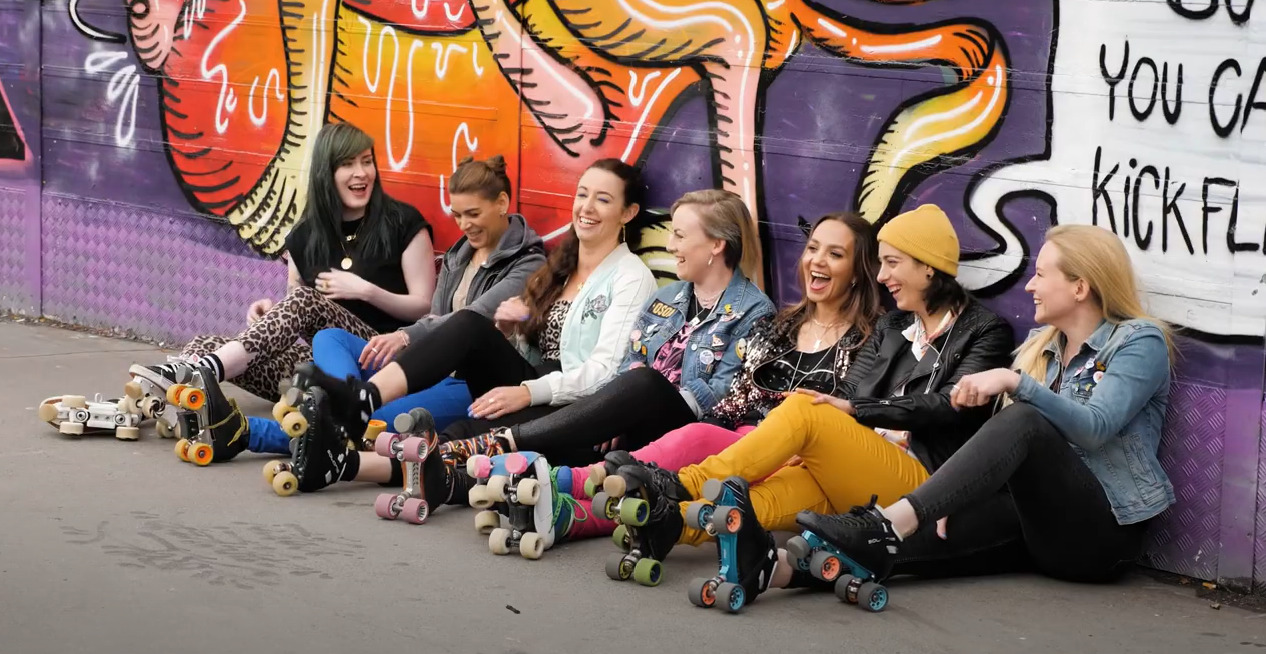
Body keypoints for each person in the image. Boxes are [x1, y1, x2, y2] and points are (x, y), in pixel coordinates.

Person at [603, 204, 1015, 593]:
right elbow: (849, 392)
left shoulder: (983, 330)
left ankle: (680, 483)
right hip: (863, 469)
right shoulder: (893, 326)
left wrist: (852, 412)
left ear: (928, 267)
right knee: (770, 495)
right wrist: (817, 442)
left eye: (893, 263)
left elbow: (948, 406)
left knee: (804, 407)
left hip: (922, 485)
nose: (882, 276)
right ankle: (671, 523)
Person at [791, 224, 1174, 594]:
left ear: (1080, 287)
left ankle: (888, 521)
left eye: (1041, 275)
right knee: (903, 545)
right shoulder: (1041, 348)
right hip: (1036, 528)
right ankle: (777, 569)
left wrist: (1014, 382)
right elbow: (1003, 453)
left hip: (1101, 538)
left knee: (1024, 418)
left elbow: (1095, 427)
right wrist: (952, 494)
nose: (1030, 286)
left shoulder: (1139, 342)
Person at [273, 158, 658, 496]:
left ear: (627, 213)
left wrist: (527, 391)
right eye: (582, 194)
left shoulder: (631, 277)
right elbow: (531, 351)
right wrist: (511, 329)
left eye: (602, 199)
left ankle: (342, 464)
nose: (586, 207)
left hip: (577, 408)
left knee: (467, 433)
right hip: (536, 383)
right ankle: (364, 399)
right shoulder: (559, 267)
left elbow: (606, 373)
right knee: (470, 324)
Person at [534, 212, 886, 544]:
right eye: (812, 249)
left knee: (700, 459)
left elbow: (858, 414)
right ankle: (570, 514)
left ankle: (575, 487)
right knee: (700, 440)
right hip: (746, 438)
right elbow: (736, 398)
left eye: (835, 254)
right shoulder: (780, 325)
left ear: (857, 270)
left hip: (802, 457)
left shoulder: (871, 339)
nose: (817, 261)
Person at [125, 121, 434, 457]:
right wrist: (271, 314)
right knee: (203, 345)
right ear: (325, 172)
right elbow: (294, 305)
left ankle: (198, 377)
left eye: (367, 161)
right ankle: (162, 405)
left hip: (383, 357)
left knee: (303, 301)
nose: (361, 173)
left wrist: (366, 290)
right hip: (325, 367)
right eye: (348, 164)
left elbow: (424, 306)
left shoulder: (402, 223)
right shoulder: (304, 236)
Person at [214, 156, 546, 462]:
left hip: (468, 383)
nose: (464, 225)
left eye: (473, 214)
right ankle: (344, 399)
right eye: (457, 215)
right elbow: (435, 316)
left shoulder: (528, 263)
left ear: (502, 203)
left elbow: (467, 322)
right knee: (331, 338)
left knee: (374, 421)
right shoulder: (460, 254)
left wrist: (404, 336)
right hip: (425, 366)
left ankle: (249, 432)